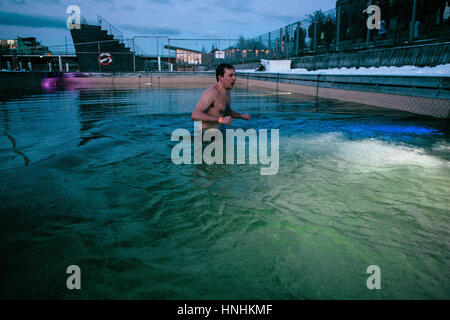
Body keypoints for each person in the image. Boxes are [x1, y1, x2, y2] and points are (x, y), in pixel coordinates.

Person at [191, 63, 250, 129]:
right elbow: (195, 115)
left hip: (218, 131)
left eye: (235, 75)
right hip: (204, 135)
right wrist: (220, 120)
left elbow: (225, 111)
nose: (234, 78)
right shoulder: (212, 92)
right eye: (230, 75)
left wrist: (241, 116)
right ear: (220, 78)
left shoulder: (227, 91)